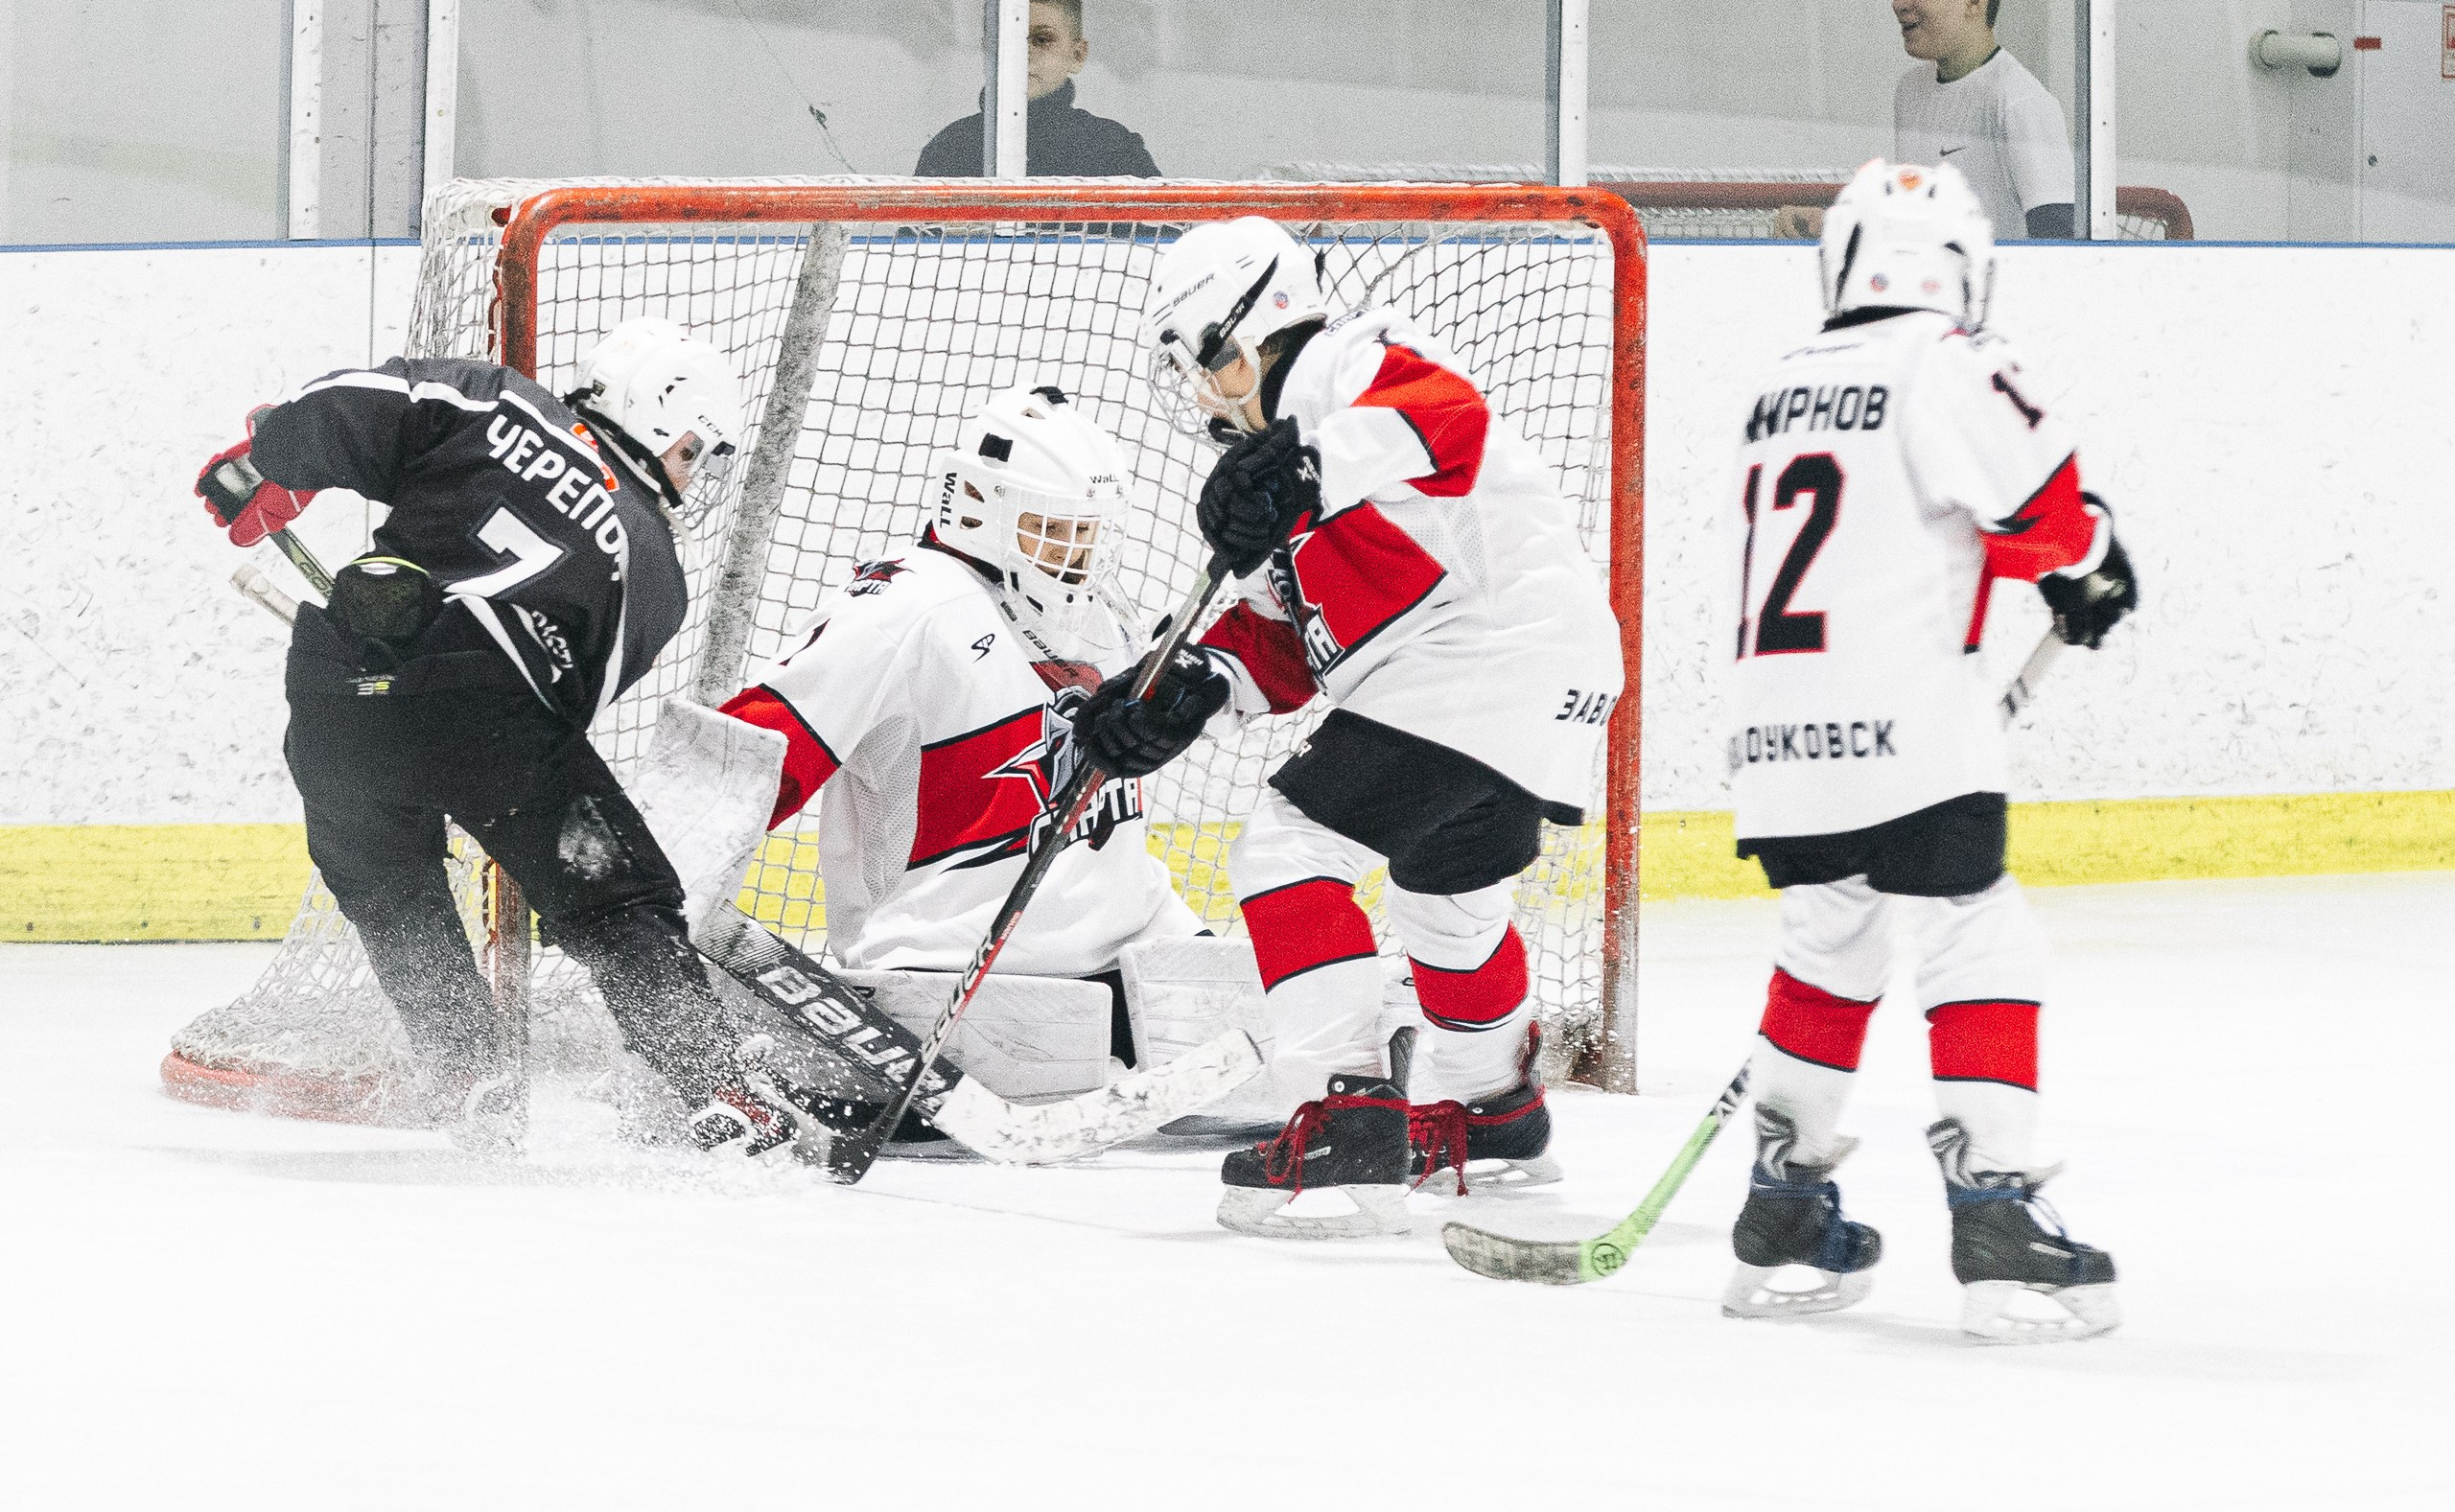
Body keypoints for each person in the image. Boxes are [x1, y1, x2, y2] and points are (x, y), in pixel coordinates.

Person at [1071, 216, 1625, 1239]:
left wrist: (1307, 463)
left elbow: (1446, 413)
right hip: (1537, 671)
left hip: (1486, 651)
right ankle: (1492, 1109)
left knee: (1285, 851)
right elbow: (1294, 641)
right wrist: (1187, 688)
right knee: (1447, 894)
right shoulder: (1294, 475)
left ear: (1243, 334)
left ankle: (1346, 1117)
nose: (1195, 393)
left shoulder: (1344, 365)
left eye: (1199, 363)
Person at [194, 320, 799, 1157]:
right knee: (619, 897)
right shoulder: (657, 565)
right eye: (694, 450)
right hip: (493, 722)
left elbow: (340, 407)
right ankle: (716, 1082)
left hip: (336, 699)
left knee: (388, 886)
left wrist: (271, 460)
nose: (692, 476)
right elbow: (570, 710)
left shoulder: (493, 399)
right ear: (663, 417)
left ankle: (464, 1073)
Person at [1721, 159, 2136, 1341]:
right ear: (1963, 266)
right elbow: (2044, 514)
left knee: (1829, 937)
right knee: (1973, 925)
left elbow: (1896, 534)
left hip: (1778, 736)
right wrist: (2092, 561)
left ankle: (1783, 1201)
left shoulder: (1782, 382)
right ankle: (1996, 1210)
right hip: (1911, 724)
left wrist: (2051, 566)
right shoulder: (1949, 360)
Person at [712, 385, 1207, 1092]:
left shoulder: (1103, 614)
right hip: (950, 970)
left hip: (1137, 955)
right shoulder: (905, 608)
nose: (1077, 556)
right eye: (1053, 529)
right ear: (980, 508)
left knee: (1328, 1033)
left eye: (1087, 533)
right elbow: (756, 751)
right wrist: (641, 881)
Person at [1775, 0, 2074, 243]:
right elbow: (1916, 227)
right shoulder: (1911, 91)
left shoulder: (2021, 102)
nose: (1898, 2)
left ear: (1974, 0)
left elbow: (2058, 248)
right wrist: (1834, 224)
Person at [913, 0, 1161, 177]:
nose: (1023, 54)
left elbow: (1163, 234)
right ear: (986, 50)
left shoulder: (1114, 151)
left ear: (1077, 55)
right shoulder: (948, 152)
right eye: (1006, 39)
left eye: (1043, 40)